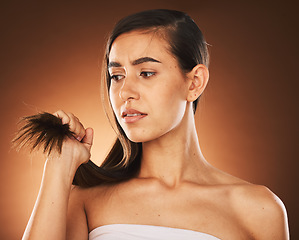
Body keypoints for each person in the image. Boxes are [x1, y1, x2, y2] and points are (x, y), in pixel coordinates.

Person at [18, 9, 289, 240]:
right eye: (116, 76)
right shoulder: (85, 200)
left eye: (146, 73)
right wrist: (59, 168)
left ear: (194, 83)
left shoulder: (259, 209)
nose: (125, 92)